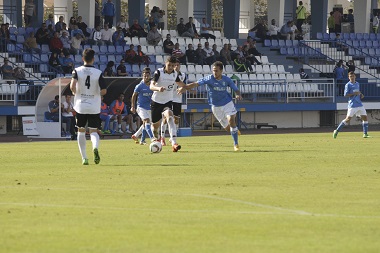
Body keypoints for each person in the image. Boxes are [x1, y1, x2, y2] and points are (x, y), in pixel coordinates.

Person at [178, 61, 242, 151]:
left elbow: (236, 89)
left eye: (216, 71)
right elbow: (195, 84)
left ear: (221, 71)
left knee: (231, 120)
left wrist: (238, 94)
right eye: (213, 70)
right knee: (228, 128)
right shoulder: (209, 79)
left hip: (227, 103)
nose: (214, 73)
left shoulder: (227, 80)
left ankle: (236, 144)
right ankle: (234, 130)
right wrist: (184, 87)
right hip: (215, 106)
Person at [70, 48, 107, 165]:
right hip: (94, 106)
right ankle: (95, 148)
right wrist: (96, 94)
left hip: (81, 105)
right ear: (93, 59)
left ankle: (84, 158)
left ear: (83, 58)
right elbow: (104, 91)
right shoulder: (98, 73)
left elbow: (72, 86)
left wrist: (75, 93)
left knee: (81, 131)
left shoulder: (77, 70)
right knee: (93, 131)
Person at [150, 56, 185, 152]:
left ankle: (174, 142)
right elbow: (151, 86)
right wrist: (158, 88)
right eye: (169, 65)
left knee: (170, 116)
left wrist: (184, 88)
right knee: (155, 126)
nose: (171, 67)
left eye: (173, 66)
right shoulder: (159, 72)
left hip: (167, 101)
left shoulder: (175, 74)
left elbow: (181, 84)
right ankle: (156, 138)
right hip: (156, 101)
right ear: (165, 63)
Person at [333, 72, 370, 139]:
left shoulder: (357, 83)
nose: (352, 77)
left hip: (359, 104)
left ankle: (365, 134)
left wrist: (360, 94)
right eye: (350, 76)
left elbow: (357, 92)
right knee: (348, 119)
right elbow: (345, 95)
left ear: (355, 76)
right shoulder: (348, 85)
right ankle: (336, 131)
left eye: (353, 76)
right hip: (352, 105)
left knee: (365, 117)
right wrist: (353, 93)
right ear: (348, 77)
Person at [160, 61, 186, 146]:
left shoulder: (183, 75)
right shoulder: (170, 75)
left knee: (176, 119)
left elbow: (184, 85)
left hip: (178, 99)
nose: (176, 66)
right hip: (169, 99)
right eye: (175, 65)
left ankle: (172, 138)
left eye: (178, 65)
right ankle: (162, 138)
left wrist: (184, 89)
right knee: (165, 118)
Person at [130, 67, 156, 145]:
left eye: (147, 76)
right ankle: (152, 138)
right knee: (147, 121)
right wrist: (132, 106)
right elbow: (134, 96)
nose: (146, 77)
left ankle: (138, 137)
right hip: (141, 107)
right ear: (142, 76)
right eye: (144, 76)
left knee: (146, 124)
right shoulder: (139, 86)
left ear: (150, 76)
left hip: (150, 107)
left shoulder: (152, 85)